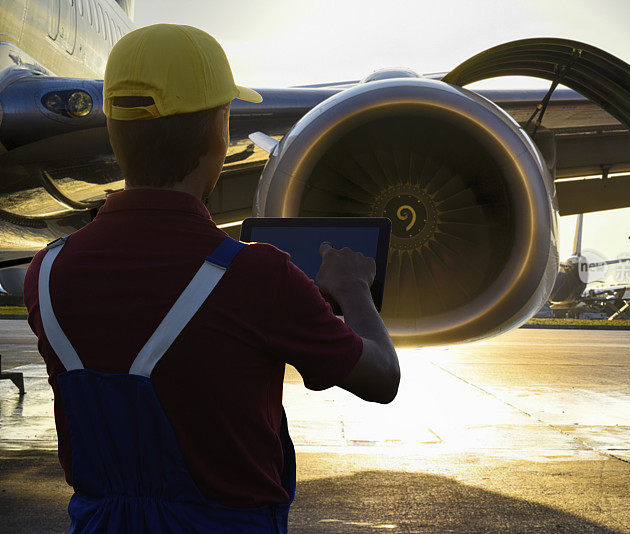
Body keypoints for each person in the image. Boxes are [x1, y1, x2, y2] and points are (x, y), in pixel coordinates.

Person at [23, 23, 399, 533]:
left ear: (114, 132)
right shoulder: (255, 275)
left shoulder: (47, 272)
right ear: (220, 132)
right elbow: (381, 379)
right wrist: (353, 289)